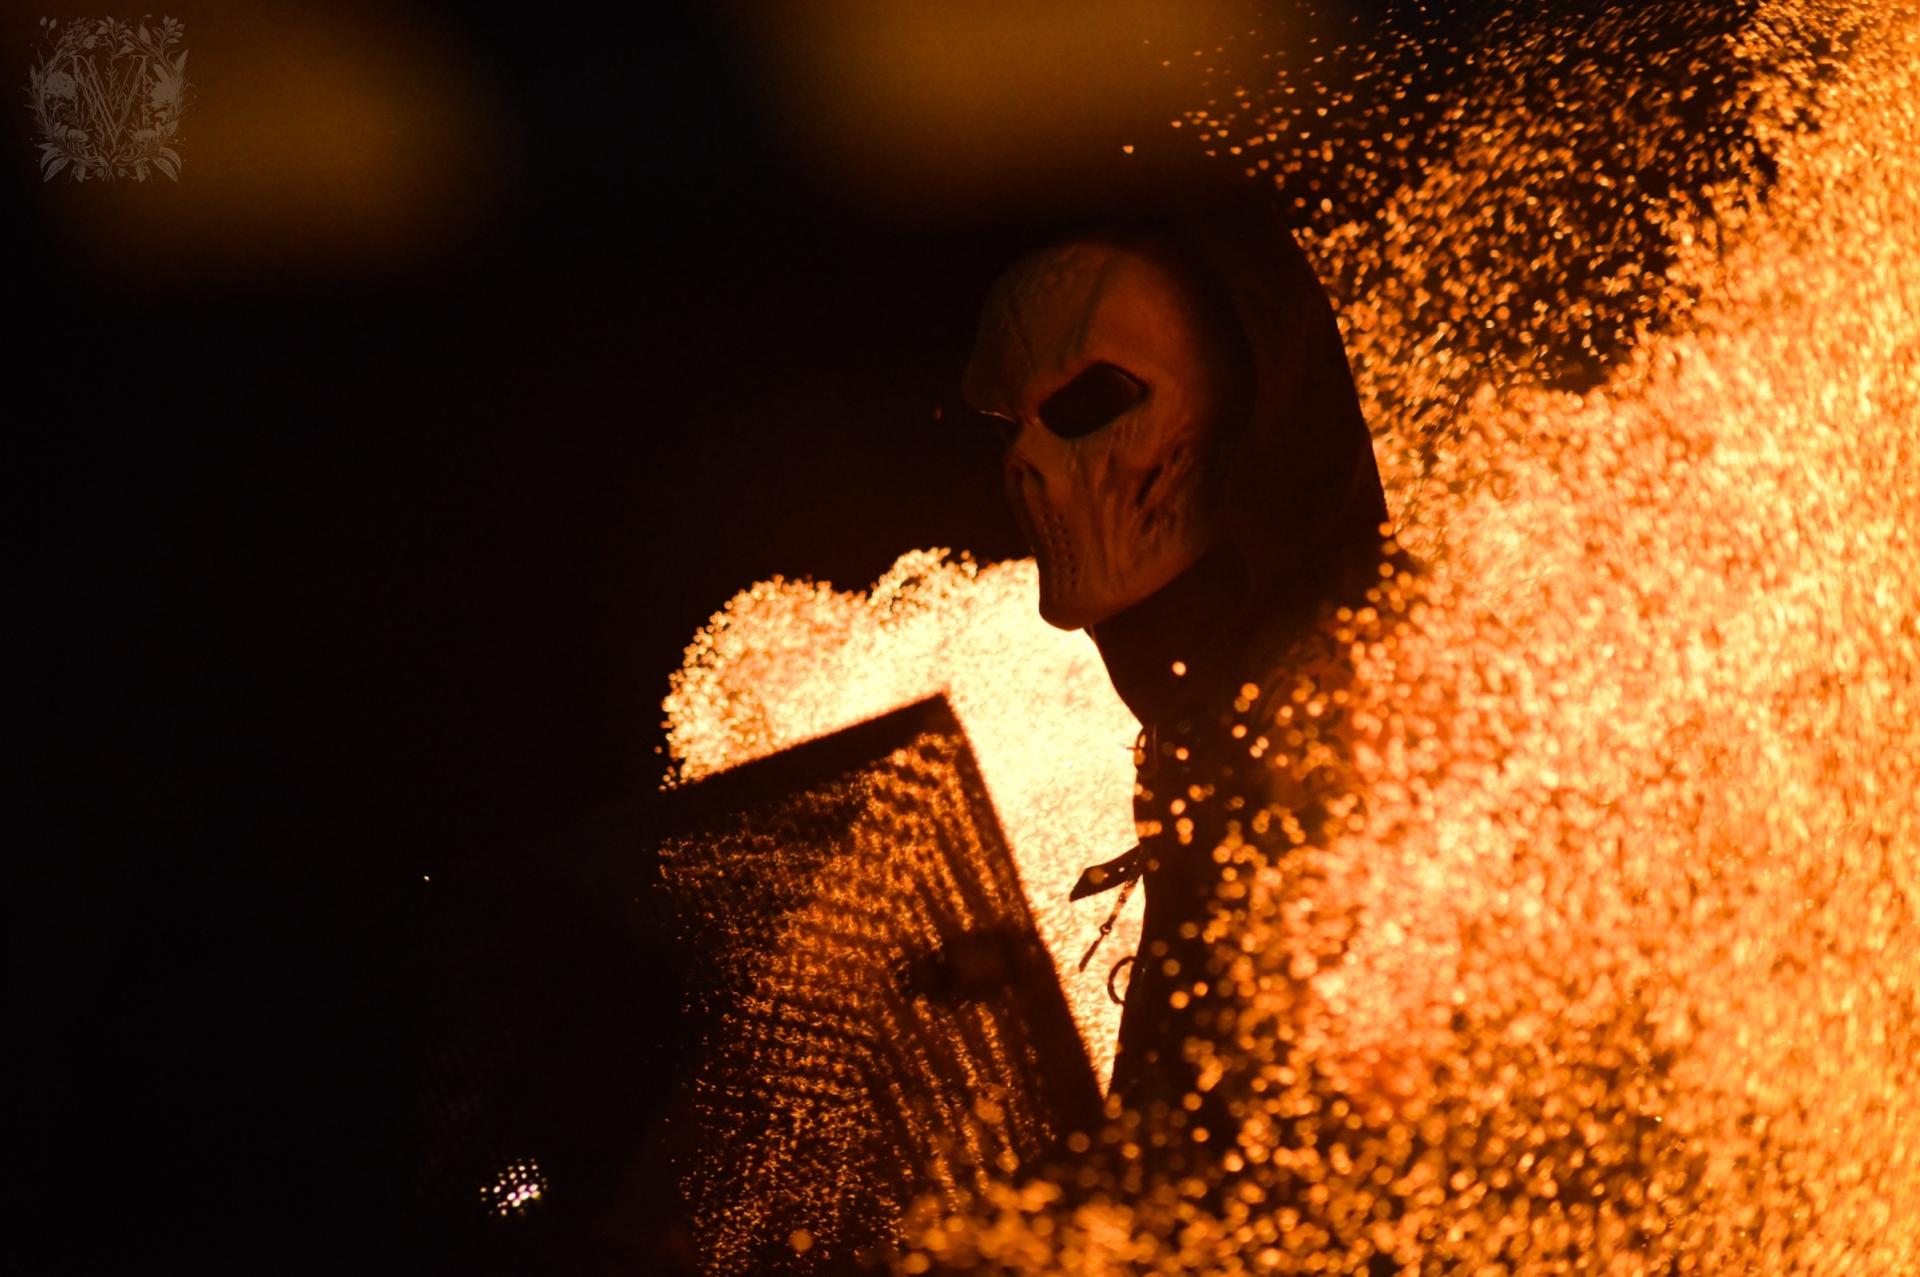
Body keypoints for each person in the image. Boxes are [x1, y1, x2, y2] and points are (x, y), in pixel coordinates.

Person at [961, 161, 1397, 1182]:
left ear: (1245, 411)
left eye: (1087, 403)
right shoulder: (1211, 725)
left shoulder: (1344, 702)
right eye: (1005, 429)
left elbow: (1330, 1141)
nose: (1026, 465)